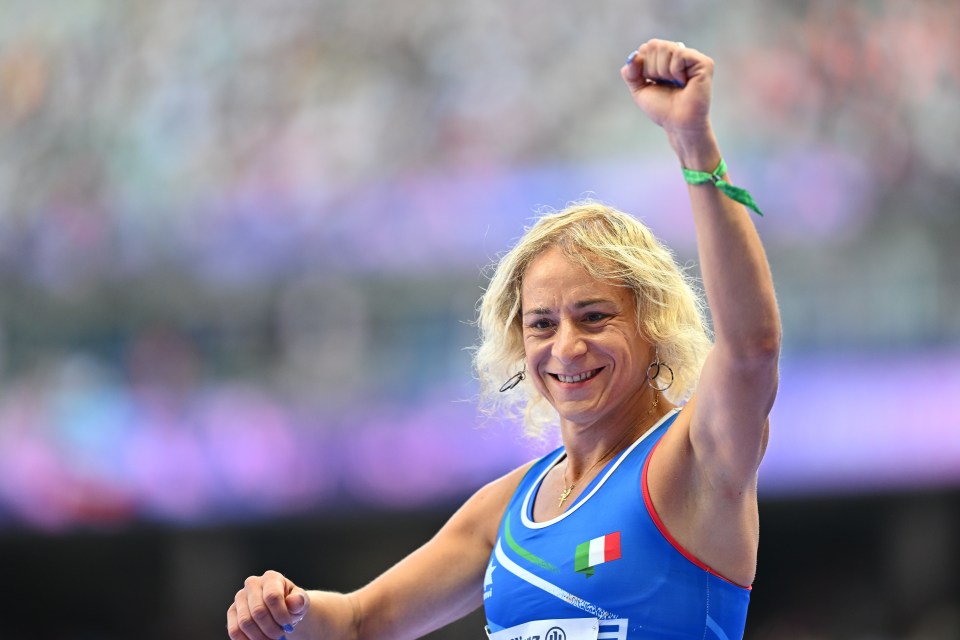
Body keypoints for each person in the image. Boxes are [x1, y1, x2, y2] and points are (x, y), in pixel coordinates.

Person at [227, 38, 780, 640]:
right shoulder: (506, 508)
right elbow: (362, 621)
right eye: (542, 323)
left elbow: (751, 350)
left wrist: (694, 143)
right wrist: (288, 609)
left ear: (652, 325)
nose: (567, 347)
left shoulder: (692, 459)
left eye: (594, 317)